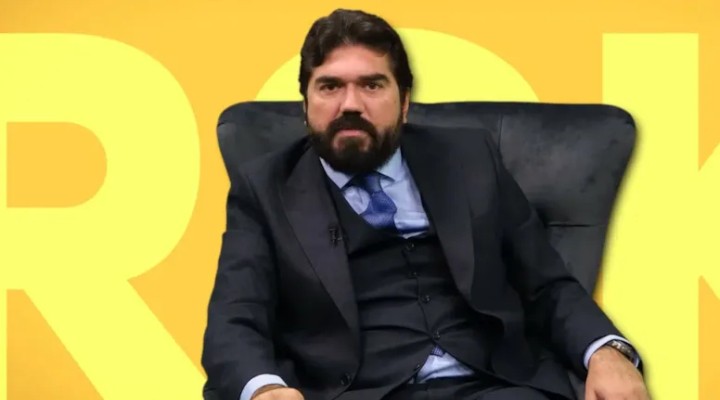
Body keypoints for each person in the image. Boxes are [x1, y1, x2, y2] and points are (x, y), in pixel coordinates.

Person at [202, 8, 650, 400]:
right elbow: (234, 320)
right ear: (305, 106)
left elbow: (546, 284)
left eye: (372, 85)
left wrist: (607, 352)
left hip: (492, 385)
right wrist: (265, 389)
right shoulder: (264, 188)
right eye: (330, 86)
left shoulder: (469, 159)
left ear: (404, 103)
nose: (350, 104)